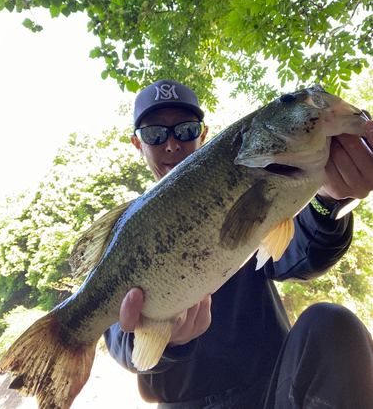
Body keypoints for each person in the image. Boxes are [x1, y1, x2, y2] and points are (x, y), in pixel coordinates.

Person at [104, 79, 373, 409]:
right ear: (137, 143)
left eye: (186, 130)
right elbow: (116, 334)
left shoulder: (257, 184)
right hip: (183, 403)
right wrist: (167, 341)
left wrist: (329, 200)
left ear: (203, 134)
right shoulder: (125, 236)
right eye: (155, 134)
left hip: (274, 390)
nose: (172, 144)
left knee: (333, 325)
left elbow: (301, 255)